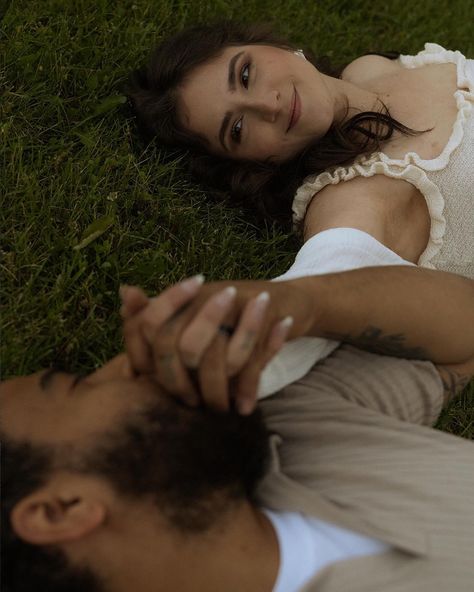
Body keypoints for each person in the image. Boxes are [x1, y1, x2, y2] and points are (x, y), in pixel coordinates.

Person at [2, 266, 474, 592]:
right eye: (79, 385)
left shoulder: (291, 434)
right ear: (60, 510)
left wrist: (306, 303)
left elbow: (460, 344)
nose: (126, 365)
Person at [127, 22, 474, 394]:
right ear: (249, 163)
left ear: (271, 44)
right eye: (238, 129)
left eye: (245, 75)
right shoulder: (352, 199)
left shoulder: (369, 68)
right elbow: (328, 275)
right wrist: (244, 331)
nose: (267, 105)